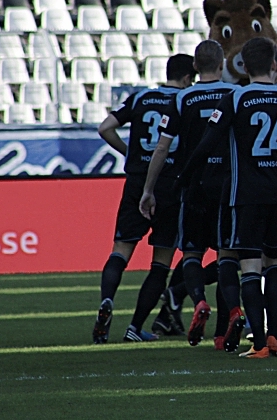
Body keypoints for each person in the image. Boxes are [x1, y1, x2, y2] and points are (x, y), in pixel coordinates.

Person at [176, 37, 277, 358]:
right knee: (276, 262)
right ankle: (276, 336)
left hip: (245, 193)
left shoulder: (237, 98)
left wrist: (185, 176)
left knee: (249, 265)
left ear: (244, 67)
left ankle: (260, 343)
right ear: (276, 64)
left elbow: (208, 142)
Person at [138, 41, 239, 349]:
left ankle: (198, 301)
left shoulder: (183, 98)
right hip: (225, 186)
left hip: (193, 186)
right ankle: (223, 333)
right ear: (221, 64)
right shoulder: (234, 96)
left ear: (195, 67)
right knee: (226, 258)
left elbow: (163, 146)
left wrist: (148, 189)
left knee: (192, 253)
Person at [92, 54, 195, 344]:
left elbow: (104, 128)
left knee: (120, 251)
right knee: (160, 263)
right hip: (171, 185)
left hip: (137, 182)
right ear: (188, 78)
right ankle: (135, 327)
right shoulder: (185, 101)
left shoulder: (141, 98)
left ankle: (107, 300)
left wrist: (130, 153)